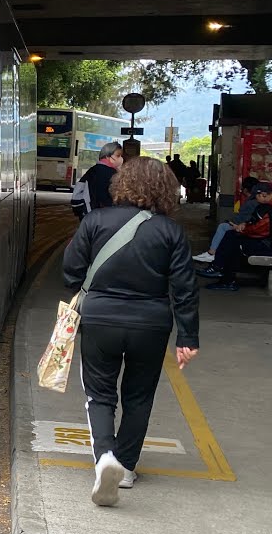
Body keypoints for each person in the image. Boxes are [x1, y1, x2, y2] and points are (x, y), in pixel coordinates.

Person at [62, 156, 199, 507]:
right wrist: (187, 338)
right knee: (139, 397)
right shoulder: (171, 232)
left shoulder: (95, 221)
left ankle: (105, 457)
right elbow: (185, 288)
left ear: (121, 183)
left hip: (101, 320)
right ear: (165, 190)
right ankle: (126, 465)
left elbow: (71, 271)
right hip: (151, 324)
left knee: (100, 393)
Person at [198, 182, 272, 290]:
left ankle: (221, 272)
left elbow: (260, 230)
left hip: (266, 245)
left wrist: (242, 229)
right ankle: (223, 274)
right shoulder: (266, 207)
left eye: (256, 197)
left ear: (263, 195)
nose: (255, 200)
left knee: (232, 240)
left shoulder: (267, 209)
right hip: (265, 242)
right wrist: (244, 225)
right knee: (232, 237)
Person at [193, 176, 260, 262]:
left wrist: (231, 222)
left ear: (246, 189)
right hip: (250, 226)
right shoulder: (254, 201)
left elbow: (242, 218)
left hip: (247, 228)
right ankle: (212, 252)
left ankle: (212, 253)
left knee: (223, 227)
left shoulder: (251, 202)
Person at [71, 141, 123, 218]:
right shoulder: (111, 173)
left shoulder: (92, 170)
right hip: (104, 216)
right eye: (118, 156)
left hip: (89, 214)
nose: (121, 159)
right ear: (108, 156)